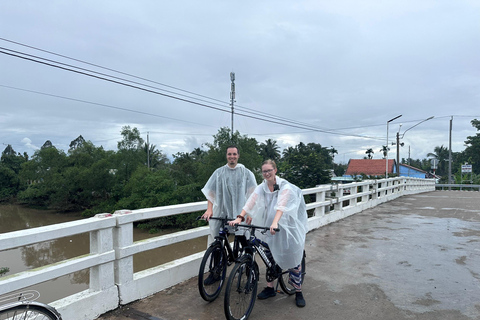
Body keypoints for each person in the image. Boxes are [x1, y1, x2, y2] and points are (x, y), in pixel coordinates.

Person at [229, 159, 308, 308]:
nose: (266, 174)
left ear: (275, 170)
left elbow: (281, 206)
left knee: (292, 259)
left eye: (269, 171)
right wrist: (240, 217)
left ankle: (298, 291)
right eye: (264, 171)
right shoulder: (262, 186)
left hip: (285, 226)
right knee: (269, 256)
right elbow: (251, 201)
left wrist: (275, 222)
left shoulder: (285, 186)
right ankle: (270, 287)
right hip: (270, 227)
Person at [201, 145, 257, 241]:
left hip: (241, 212)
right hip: (223, 211)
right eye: (229, 154)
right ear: (226, 156)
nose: (232, 156)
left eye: (234, 154)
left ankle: (246, 255)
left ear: (238, 156)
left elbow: (253, 193)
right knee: (217, 238)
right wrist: (209, 209)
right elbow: (210, 190)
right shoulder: (219, 173)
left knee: (244, 240)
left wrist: (250, 212)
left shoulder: (246, 173)